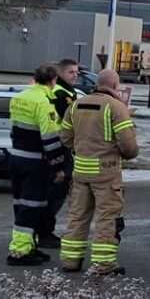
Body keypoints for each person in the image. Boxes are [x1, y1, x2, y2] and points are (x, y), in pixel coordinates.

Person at [58, 68, 139, 276]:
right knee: (107, 218)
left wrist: (82, 148)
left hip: (80, 171)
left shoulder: (76, 105)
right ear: (115, 86)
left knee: (77, 216)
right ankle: (104, 264)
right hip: (106, 173)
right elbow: (128, 147)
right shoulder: (116, 107)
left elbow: (66, 137)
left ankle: (70, 260)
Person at [6, 64, 67, 266]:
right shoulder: (44, 102)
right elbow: (50, 139)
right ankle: (19, 252)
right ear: (53, 81)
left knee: (22, 204)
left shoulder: (19, 98)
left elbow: (13, 129)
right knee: (31, 206)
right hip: (35, 163)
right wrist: (59, 167)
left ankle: (30, 246)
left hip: (17, 158)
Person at [39, 59, 83, 246]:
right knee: (54, 193)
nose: (75, 75)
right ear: (61, 74)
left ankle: (44, 230)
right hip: (57, 149)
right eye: (71, 72)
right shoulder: (59, 93)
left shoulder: (68, 92)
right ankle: (44, 232)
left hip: (62, 149)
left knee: (57, 193)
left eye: (77, 72)